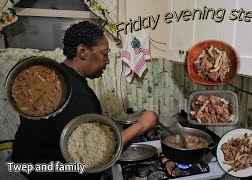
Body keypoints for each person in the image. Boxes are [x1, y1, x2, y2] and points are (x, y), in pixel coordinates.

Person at [9, 21, 159, 180]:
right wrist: (142, 125)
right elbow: (98, 158)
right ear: (82, 52)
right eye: (104, 54)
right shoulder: (78, 96)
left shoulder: (52, 76)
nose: (107, 61)